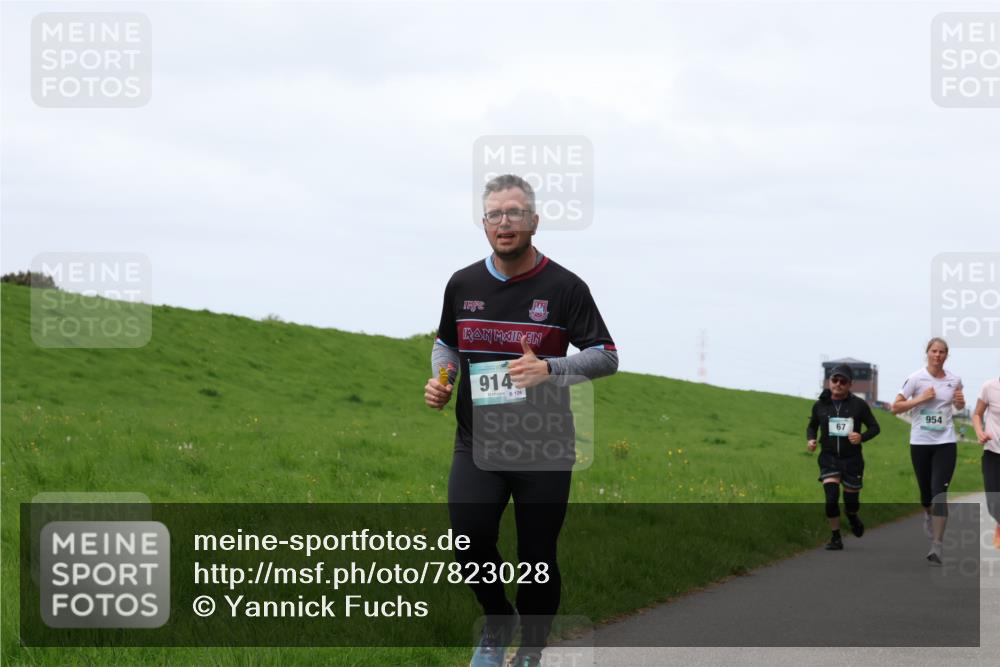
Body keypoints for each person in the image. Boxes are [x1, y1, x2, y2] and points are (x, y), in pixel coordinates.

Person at [424, 174, 617, 667]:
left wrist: (549, 369)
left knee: (536, 559)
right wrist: (444, 379)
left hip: (543, 446)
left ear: (533, 220)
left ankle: (530, 649)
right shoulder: (463, 282)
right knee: (467, 540)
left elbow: (606, 355)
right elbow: (447, 343)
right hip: (477, 444)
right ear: (484, 224)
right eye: (494, 214)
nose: (503, 223)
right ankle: (496, 622)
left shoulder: (565, 288)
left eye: (513, 213)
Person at [892, 337, 966, 565]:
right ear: (927, 353)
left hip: (945, 442)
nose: (938, 355)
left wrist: (961, 403)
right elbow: (895, 407)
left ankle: (937, 546)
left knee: (939, 493)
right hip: (921, 442)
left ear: (947, 355)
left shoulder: (954, 380)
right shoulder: (915, 378)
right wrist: (920, 399)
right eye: (934, 351)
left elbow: (958, 406)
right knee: (926, 495)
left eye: (942, 352)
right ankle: (927, 513)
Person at [807, 365, 881, 550]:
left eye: (843, 381)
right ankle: (835, 537)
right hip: (829, 458)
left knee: (851, 503)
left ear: (850, 384)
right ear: (829, 381)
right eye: (835, 380)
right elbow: (812, 426)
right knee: (831, 498)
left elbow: (875, 428)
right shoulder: (820, 404)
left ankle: (852, 516)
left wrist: (861, 437)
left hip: (852, 460)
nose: (838, 384)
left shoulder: (859, 405)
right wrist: (811, 440)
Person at [972, 374, 1000, 548]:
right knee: (993, 503)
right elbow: (977, 414)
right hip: (992, 452)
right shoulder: (989, 386)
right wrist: (979, 432)